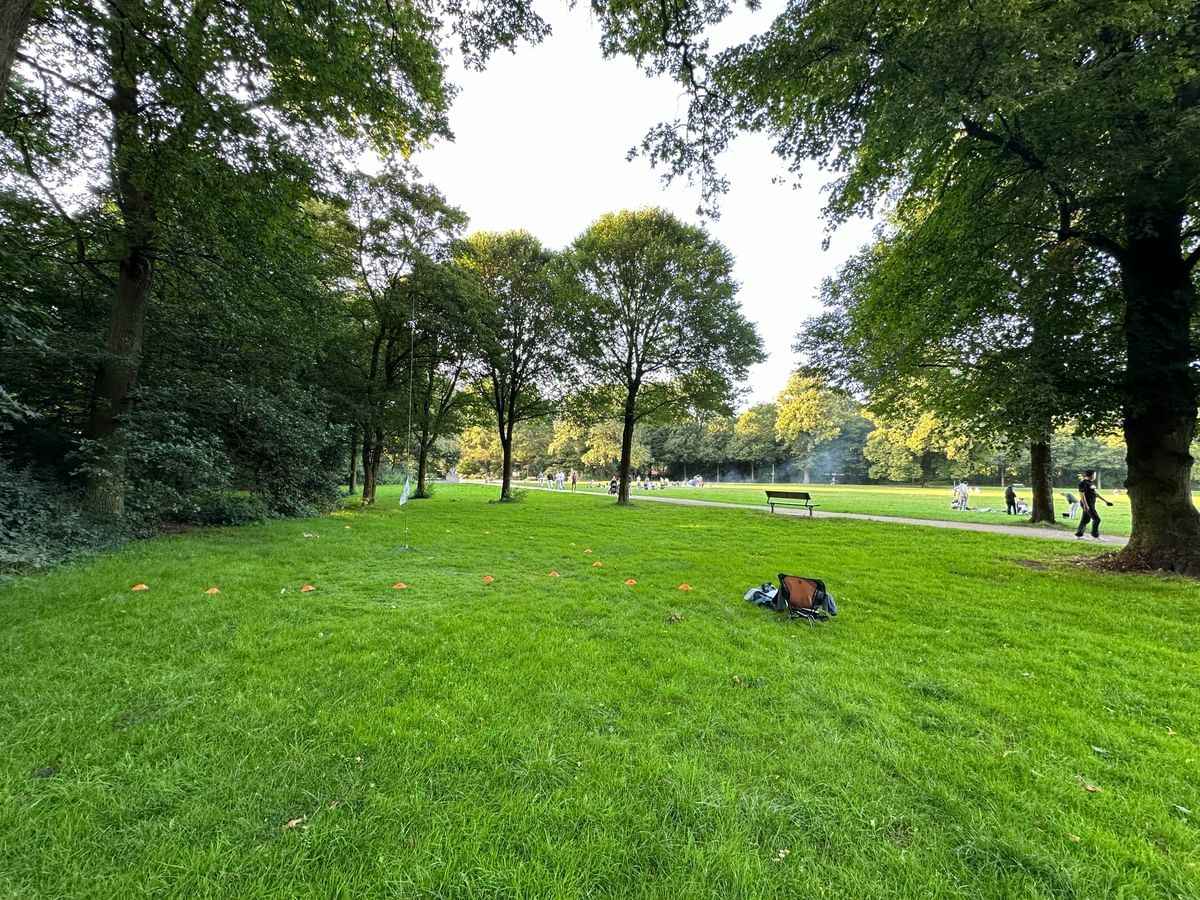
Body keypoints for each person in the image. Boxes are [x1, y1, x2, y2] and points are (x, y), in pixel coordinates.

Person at [1075, 469, 1114, 540]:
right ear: (1091, 475)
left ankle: (1079, 535)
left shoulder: (1091, 483)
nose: (1095, 476)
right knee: (1097, 519)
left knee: (1085, 519)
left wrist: (1105, 501)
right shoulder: (1083, 483)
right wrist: (1085, 505)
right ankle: (1095, 535)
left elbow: (1095, 493)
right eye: (1095, 475)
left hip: (1091, 503)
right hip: (1087, 504)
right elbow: (1081, 494)